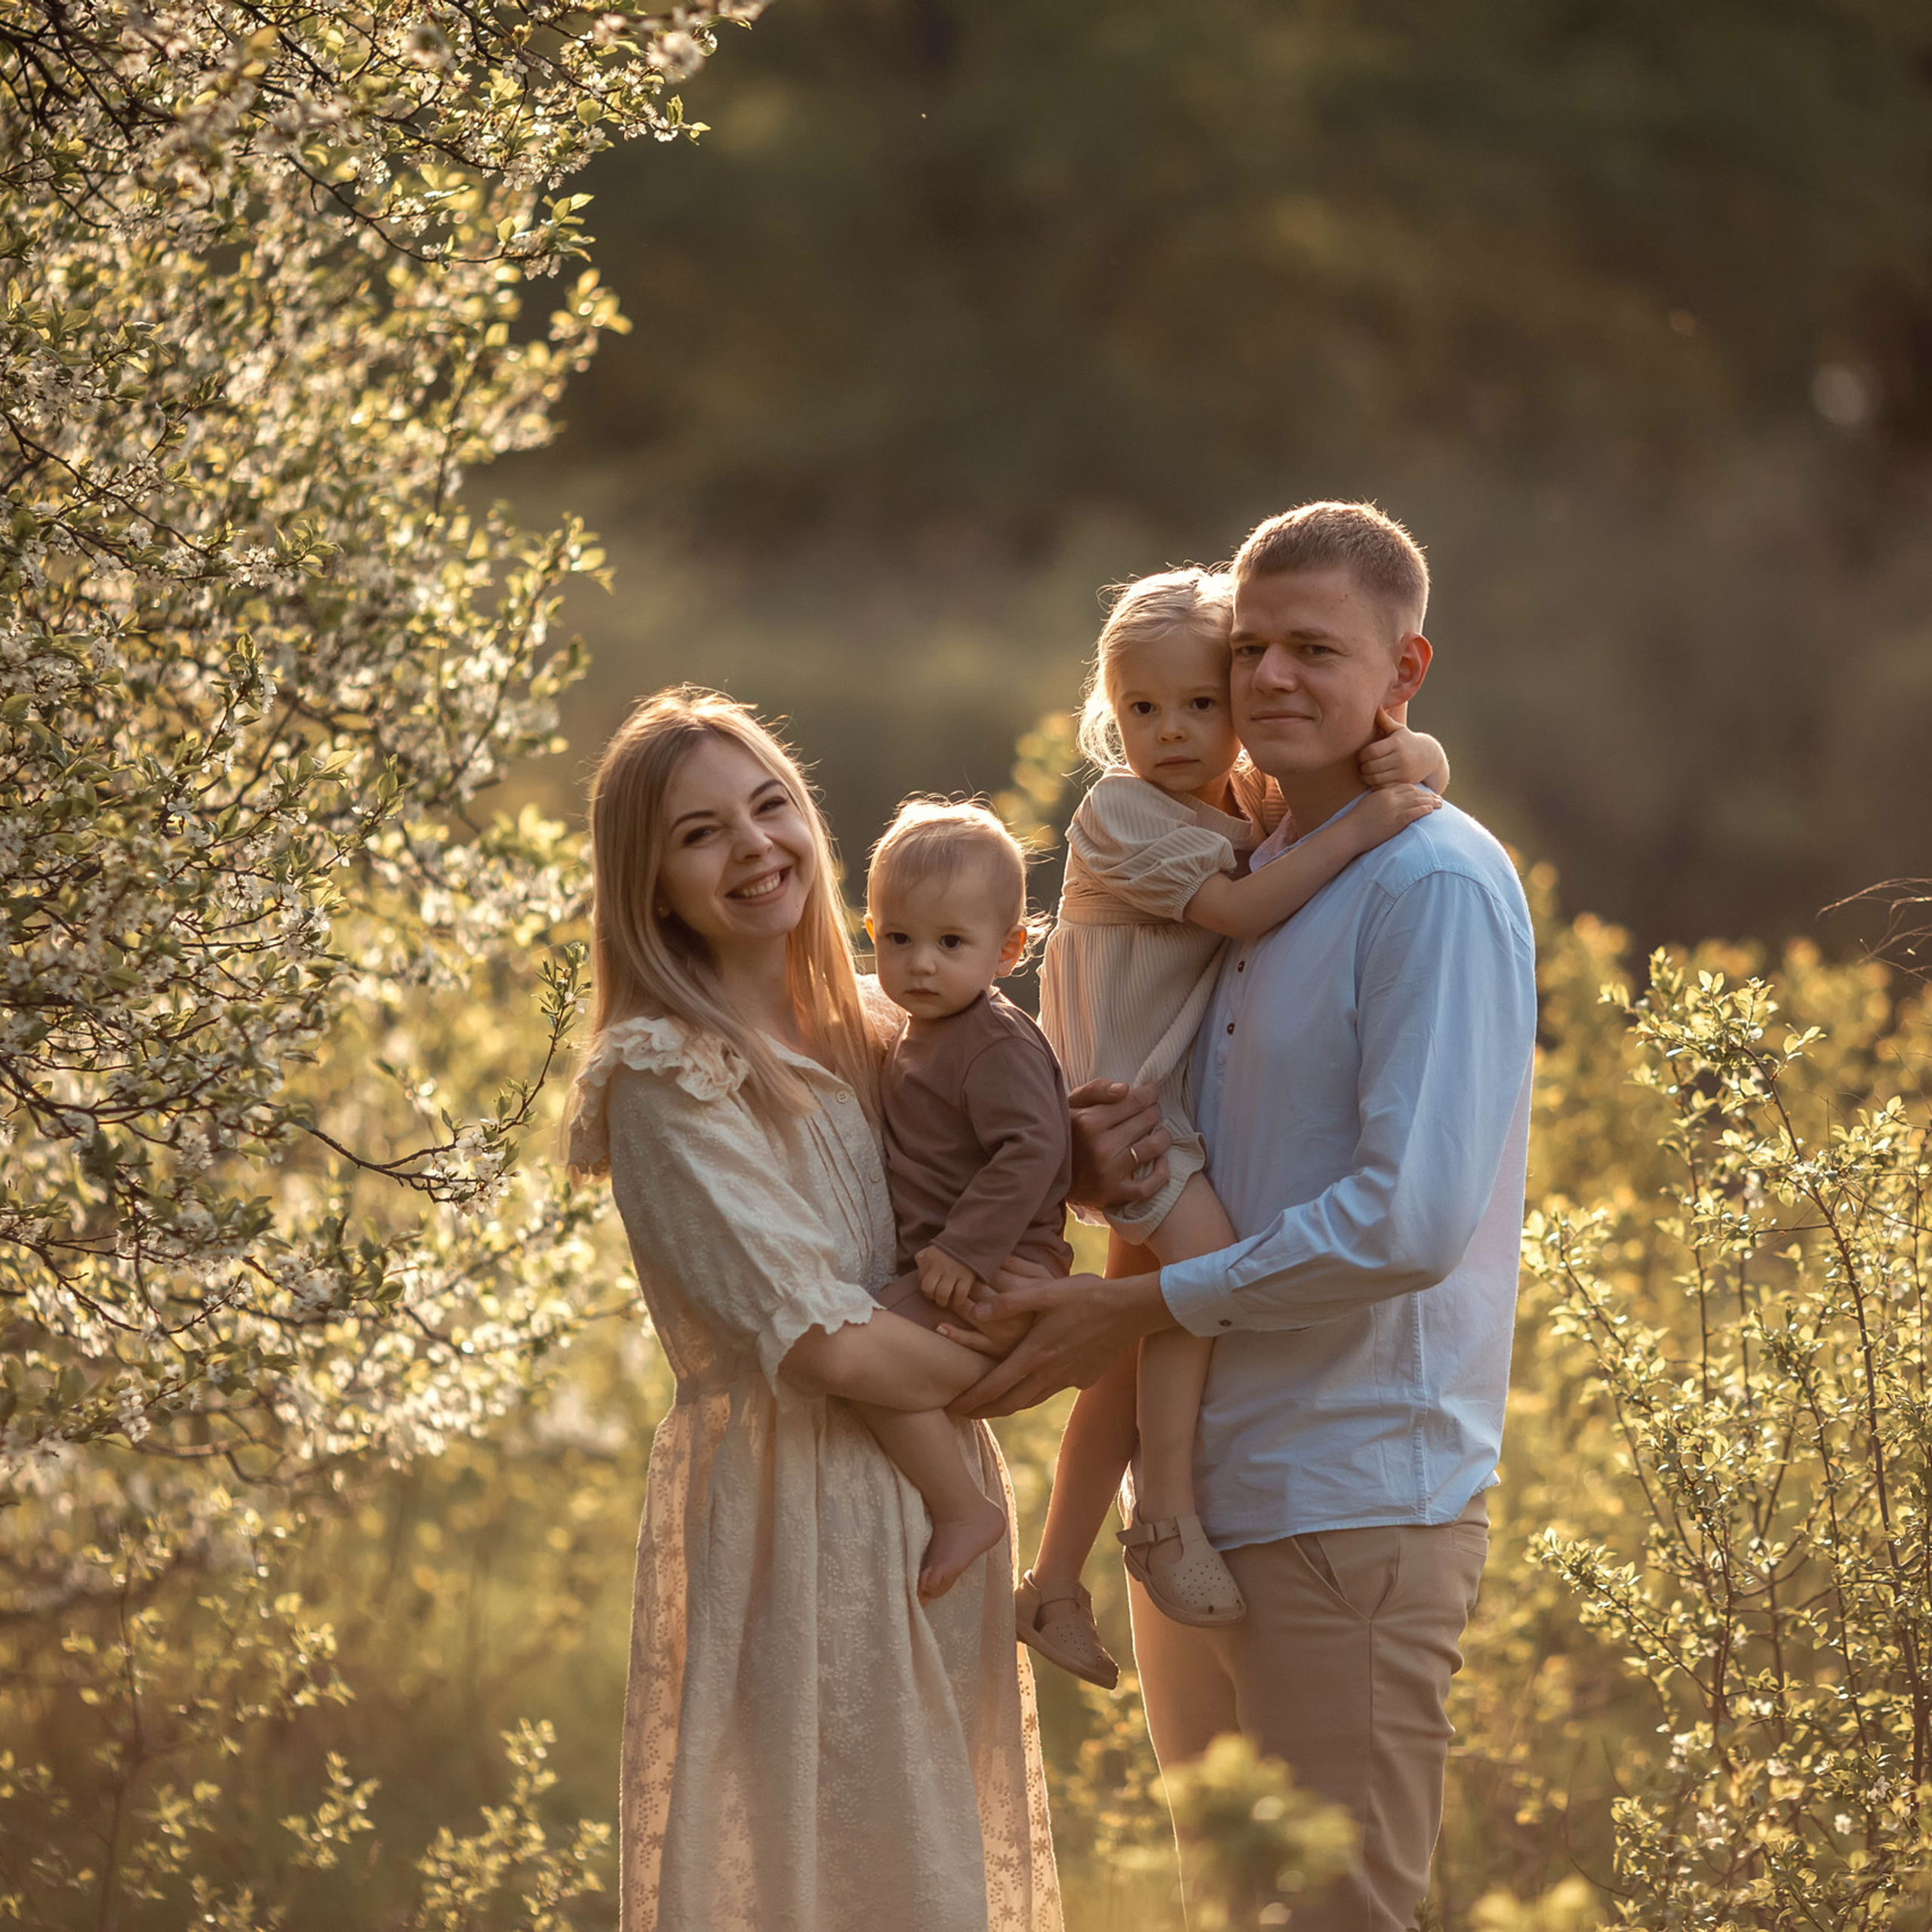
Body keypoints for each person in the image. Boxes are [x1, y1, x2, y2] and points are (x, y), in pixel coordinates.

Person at [959, 503, 1538, 1932]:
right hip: (1203, 1508)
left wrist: (1139, 1305)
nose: (1272, 677)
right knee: (1230, 1914)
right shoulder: (1243, 858)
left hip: (1349, 1504)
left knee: (1338, 1917)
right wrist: (1088, 1153)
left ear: (1405, 666)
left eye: (1315, 650)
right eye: (1252, 648)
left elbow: (1405, 1224)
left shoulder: (1432, 883)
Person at [565, 687, 1060, 1932]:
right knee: (829, 1871)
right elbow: (827, 1342)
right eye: (700, 833)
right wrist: (1057, 1350)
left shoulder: (879, 1023)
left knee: (933, 1866)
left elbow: (994, 1153)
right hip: (798, 1518)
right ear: (650, 883)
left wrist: (1096, 1148)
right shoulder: (669, 1073)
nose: (755, 846)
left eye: (770, 805)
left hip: (932, 1497)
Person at [1017, 566, 1445, 1690]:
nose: (1171, 732)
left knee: (1127, 1334)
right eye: (1142, 709)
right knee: (1201, 1273)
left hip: (1173, 1100)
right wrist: (1376, 826)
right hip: (1130, 1113)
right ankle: (1164, 1517)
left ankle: (1052, 1582)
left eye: (1200, 705)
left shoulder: (1240, 800)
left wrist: (1421, 767)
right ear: (1111, 711)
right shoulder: (1119, 813)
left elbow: (1379, 767)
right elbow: (1250, 904)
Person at [859, 796, 1073, 1602]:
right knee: (867, 1345)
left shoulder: (991, 1040)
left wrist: (965, 1248)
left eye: (951, 943)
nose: (920, 964)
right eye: (897, 939)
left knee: (859, 1359)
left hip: (1002, 1268)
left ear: (1010, 949)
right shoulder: (928, 1025)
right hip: (958, 1262)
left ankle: (961, 1510)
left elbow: (1035, 1147)